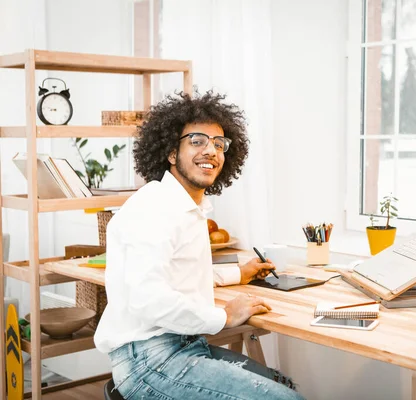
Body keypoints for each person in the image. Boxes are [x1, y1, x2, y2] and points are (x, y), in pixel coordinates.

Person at [93, 89, 304, 400]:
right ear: (169, 152)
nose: (211, 151)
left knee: (283, 387)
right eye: (197, 141)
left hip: (182, 347)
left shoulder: (184, 207)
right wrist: (224, 317)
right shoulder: (154, 208)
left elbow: (179, 273)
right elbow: (147, 299)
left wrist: (238, 275)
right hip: (149, 362)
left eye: (219, 144)